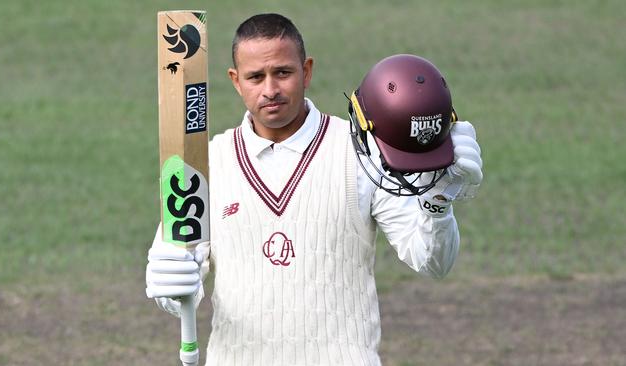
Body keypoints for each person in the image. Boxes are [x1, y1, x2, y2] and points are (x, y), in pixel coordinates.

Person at [146, 13, 483, 366]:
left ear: (306, 71)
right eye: (255, 77)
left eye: (282, 73)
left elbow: (433, 262)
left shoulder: (361, 152)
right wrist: (168, 286)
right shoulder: (205, 164)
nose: (270, 89)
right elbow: (177, 282)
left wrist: (438, 199)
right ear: (236, 80)